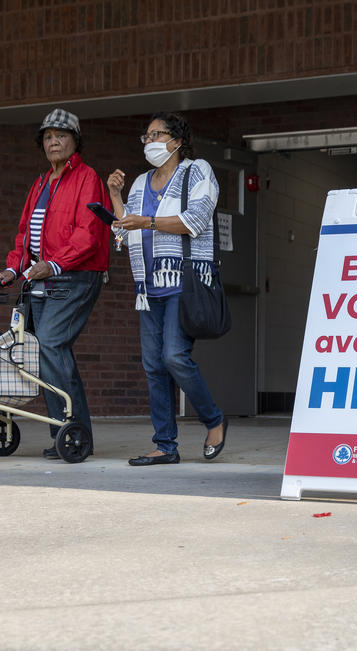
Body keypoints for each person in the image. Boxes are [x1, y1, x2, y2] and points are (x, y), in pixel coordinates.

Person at [107, 111, 228, 466]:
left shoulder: (197, 170)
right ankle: (165, 445)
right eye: (146, 136)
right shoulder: (141, 182)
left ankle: (214, 419)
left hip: (184, 281)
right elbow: (125, 232)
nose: (150, 142)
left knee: (174, 357)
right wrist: (115, 196)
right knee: (153, 367)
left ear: (177, 140)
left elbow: (196, 220)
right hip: (148, 287)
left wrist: (145, 220)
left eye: (157, 134)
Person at [0, 109, 111, 459]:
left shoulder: (87, 178)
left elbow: (88, 234)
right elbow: (25, 235)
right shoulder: (41, 183)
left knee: (50, 345)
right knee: (47, 351)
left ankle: (70, 432)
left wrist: (56, 264)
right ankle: (71, 433)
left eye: (61, 135)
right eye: (47, 136)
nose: (53, 141)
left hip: (75, 277)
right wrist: (13, 270)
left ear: (75, 141)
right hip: (44, 278)